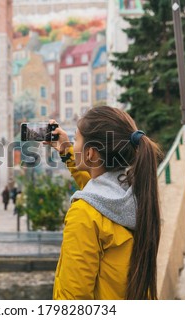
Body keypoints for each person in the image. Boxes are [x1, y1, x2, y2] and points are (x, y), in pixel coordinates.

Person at [47, 106, 162, 300]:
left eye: (76, 140)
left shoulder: (84, 214)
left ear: (90, 153)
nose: (73, 145)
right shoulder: (133, 193)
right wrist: (66, 150)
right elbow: (99, 189)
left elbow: (72, 299)